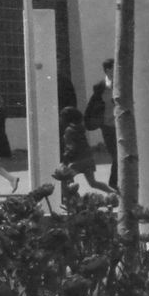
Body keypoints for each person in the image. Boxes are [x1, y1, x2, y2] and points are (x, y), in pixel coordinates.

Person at [57, 106, 113, 196]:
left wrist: (65, 161)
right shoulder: (79, 128)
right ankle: (113, 192)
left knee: (64, 178)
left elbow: (71, 148)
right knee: (93, 183)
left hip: (77, 161)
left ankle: (71, 198)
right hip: (88, 159)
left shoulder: (69, 131)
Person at [83, 59, 119, 190]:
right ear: (108, 70)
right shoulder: (100, 87)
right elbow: (92, 105)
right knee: (116, 154)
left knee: (121, 154)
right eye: (114, 68)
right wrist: (89, 120)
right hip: (108, 126)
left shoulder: (123, 83)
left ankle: (115, 182)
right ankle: (114, 183)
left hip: (122, 125)